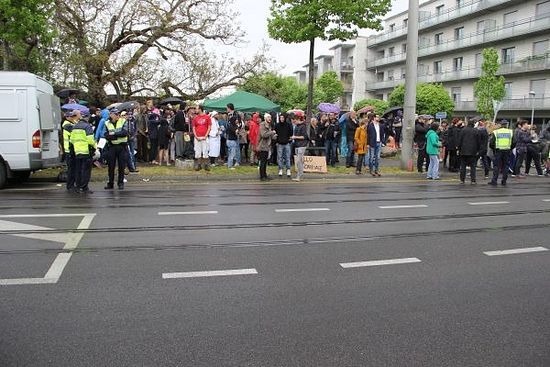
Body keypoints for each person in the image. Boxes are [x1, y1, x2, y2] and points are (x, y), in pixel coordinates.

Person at [69, 113, 97, 193]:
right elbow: (90, 140)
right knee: (86, 170)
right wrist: (94, 147)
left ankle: (78, 187)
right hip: (86, 151)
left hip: (77, 152)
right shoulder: (87, 126)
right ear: (87, 118)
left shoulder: (75, 126)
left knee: (78, 170)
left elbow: (72, 140)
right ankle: (84, 187)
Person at [104, 109, 129, 190]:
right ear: (111, 115)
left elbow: (125, 133)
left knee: (121, 166)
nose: (118, 115)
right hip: (112, 147)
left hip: (122, 147)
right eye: (116, 114)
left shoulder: (123, 121)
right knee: (111, 166)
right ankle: (110, 183)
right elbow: (106, 135)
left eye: (118, 114)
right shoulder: (107, 123)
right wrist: (117, 135)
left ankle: (120, 183)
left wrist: (114, 134)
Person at [488, 121, 513, 186]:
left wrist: (494, 149)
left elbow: (491, 143)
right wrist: (510, 148)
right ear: (507, 125)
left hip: (498, 151)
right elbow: (514, 142)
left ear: (500, 125)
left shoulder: (496, 132)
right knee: (506, 166)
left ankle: (494, 181)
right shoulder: (510, 132)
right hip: (507, 150)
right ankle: (504, 181)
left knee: (496, 166)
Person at [62, 110, 79, 192]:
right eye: (71, 116)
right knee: (71, 169)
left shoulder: (71, 124)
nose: (73, 118)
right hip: (69, 150)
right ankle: (70, 185)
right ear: (67, 117)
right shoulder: (67, 125)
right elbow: (76, 131)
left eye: (73, 116)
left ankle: (72, 185)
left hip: (71, 150)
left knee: (74, 168)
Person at [258, 113, 277, 181]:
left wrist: (274, 136)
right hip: (263, 146)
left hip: (267, 146)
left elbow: (270, 135)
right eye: (268, 117)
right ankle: (262, 176)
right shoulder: (262, 125)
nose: (270, 119)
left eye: (270, 117)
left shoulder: (269, 125)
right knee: (263, 162)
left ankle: (265, 175)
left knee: (265, 161)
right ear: (265, 118)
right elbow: (263, 135)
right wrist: (272, 132)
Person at [192, 105, 212, 171]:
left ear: (200, 109)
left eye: (197, 109)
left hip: (204, 137)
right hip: (197, 137)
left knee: (205, 151)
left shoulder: (207, 117)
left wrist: (206, 136)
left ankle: (206, 165)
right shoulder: (195, 118)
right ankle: (199, 165)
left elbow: (209, 127)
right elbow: (193, 128)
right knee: (198, 151)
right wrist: (195, 136)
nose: (195, 110)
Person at [291, 112, 309, 182]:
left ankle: (299, 176)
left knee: (299, 161)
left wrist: (295, 137)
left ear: (297, 119)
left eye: (294, 121)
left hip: (302, 145)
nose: (294, 123)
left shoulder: (303, 126)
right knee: (299, 161)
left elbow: (304, 136)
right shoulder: (297, 126)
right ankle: (299, 175)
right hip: (297, 145)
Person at [275, 113, 293, 177]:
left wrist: (289, 140)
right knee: (279, 157)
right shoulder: (277, 125)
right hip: (279, 143)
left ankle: (288, 169)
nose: (281, 119)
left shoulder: (288, 125)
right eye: (280, 118)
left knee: (287, 157)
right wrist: (276, 142)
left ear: (285, 118)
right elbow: (275, 134)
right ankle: (280, 169)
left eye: (283, 118)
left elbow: (291, 133)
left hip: (287, 143)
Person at [226, 103, 240, 169]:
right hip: (230, 136)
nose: (226, 109)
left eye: (227, 108)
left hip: (233, 135)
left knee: (235, 149)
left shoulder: (236, 114)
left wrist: (237, 129)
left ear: (229, 108)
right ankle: (230, 164)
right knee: (231, 151)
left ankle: (237, 161)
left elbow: (239, 123)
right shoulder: (228, 116)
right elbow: (229, 126)